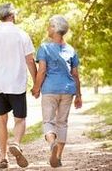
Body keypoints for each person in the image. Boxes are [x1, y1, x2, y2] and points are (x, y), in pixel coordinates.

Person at [0, 3, 37, 169]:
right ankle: (16, 143)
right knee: (20, 119)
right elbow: (30, 60)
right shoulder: (22, 34)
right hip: (17, 84)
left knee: (1, 119)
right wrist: (37, 83)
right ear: (12, 16)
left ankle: (3, 158)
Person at [32, 15, 82, 167]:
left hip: (50, 90)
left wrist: (36, 88)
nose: (48, 28)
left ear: (55, 29)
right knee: (62, 123)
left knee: (48, 121)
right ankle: (58, 156)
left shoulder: (44, 48)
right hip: (67, 90)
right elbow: (75, 74)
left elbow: (41, 71)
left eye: (49, 26)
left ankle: (52, 143)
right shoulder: (71, 50)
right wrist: (79, 95)